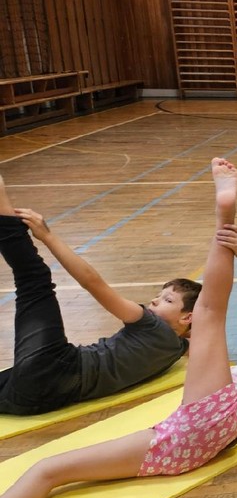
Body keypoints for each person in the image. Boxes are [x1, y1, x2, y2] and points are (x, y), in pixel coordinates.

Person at [0, 159, 237, 498]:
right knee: (49, 471)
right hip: (191, 447)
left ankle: (225, 216)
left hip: (210, 418)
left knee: (210, 313)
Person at [0, 174, 197, 416]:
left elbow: (92, 282)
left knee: (33, 278)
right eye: (159, 295)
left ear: (188, 317)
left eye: (168, 300)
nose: (155, 300)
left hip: (53, 368)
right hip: (32, 400)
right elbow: (202, 335)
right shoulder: (177, 349)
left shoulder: (150, 324)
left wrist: (48, 236)